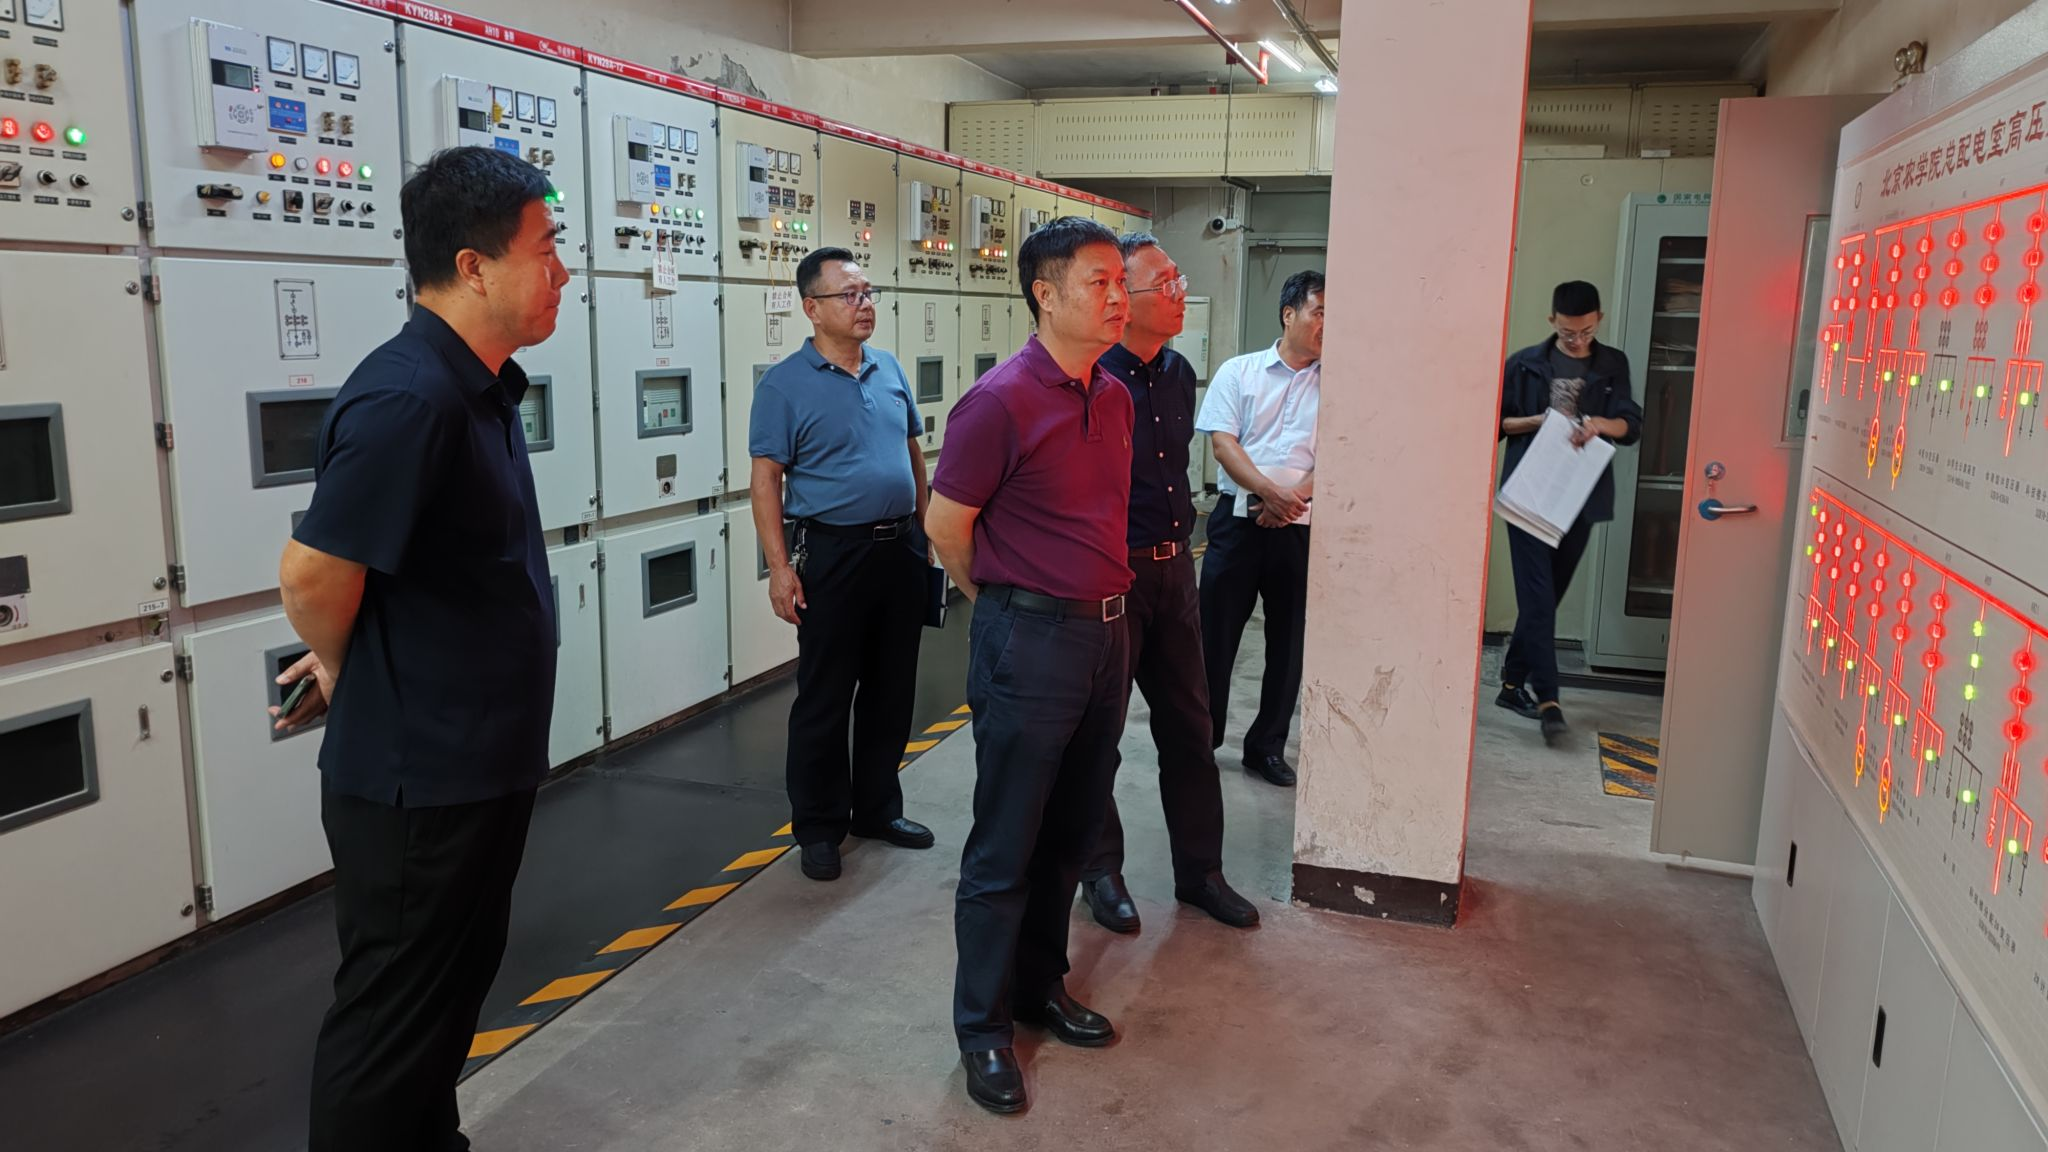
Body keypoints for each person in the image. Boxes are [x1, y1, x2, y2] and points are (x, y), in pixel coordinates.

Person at [268, 146, 568, 1152]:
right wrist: (346, 665)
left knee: (442, 1004)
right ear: (473, 266)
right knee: (392, 1023)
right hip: (420, 781)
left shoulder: (476, 385)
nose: (563, 271)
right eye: (545, 249)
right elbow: (313, 575)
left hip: (473, 762)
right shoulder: (411, 397)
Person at [926, 216, 1132, 1115]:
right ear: (1045, 294)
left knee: (1070, 832)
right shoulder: (999, 402)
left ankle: (1040, 988)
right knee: (1005, 842)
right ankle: (982, 1028)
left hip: (1106, 637)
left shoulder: (1113, 395)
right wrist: (1009, 605)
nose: (1119, 297)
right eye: (1099, 282)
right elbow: (946, 528)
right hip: (1031, 637)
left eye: (1121, 281)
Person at [1077, 233, 1258, 935]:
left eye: (1180, 279)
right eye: (1168, 284)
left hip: (1176, 570)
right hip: (1111, 576)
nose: (1182, 293)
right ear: (1124, 297)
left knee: (1191, 728)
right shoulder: (1093, 378)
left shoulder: (1179, 372)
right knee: (1100, 735)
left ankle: (1201, 873)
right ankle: (1101, 871)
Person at [750, 248, 935, 881]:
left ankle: (878, 809)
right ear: (812, 308)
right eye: (849, 295)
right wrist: (780, 568)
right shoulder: (783, 385)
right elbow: (766, 479)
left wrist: (926, 528)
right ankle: (819, 826)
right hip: (832, 553)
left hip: (899, 548)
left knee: (892, 688)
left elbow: (911, 450)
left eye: (868, 292)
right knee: (826, 695)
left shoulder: (889, 368)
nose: (864, 304)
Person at [1495, 280, 1642, 738]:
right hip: (1529, 492)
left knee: (1548, 596)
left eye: (1586, 332)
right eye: (1567, 332)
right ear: (1551, 322)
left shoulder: (1612, 363)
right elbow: (1496, 423)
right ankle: (1550, 702)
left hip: (1580, 493)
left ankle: (1512, 683)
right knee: (1538, 597)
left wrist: (1599, 424)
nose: (1577, 340)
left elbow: (1631, 424)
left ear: (1599, 320)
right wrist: (1539, 421)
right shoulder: (1524, 363)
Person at [1196, 270, 1324, 787]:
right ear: (1289, 314)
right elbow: (1223, 443)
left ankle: (1266, 747)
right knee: (1214, 636)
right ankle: (1202, 739)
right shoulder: (1240, 372)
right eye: (1320, 312)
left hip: (1301, 527)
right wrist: (1268, 492)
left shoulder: (1342, 384)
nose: (1328, 325)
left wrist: (1290, 501)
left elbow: (1343, 451)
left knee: (1288, 643)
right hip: (1236, 524)